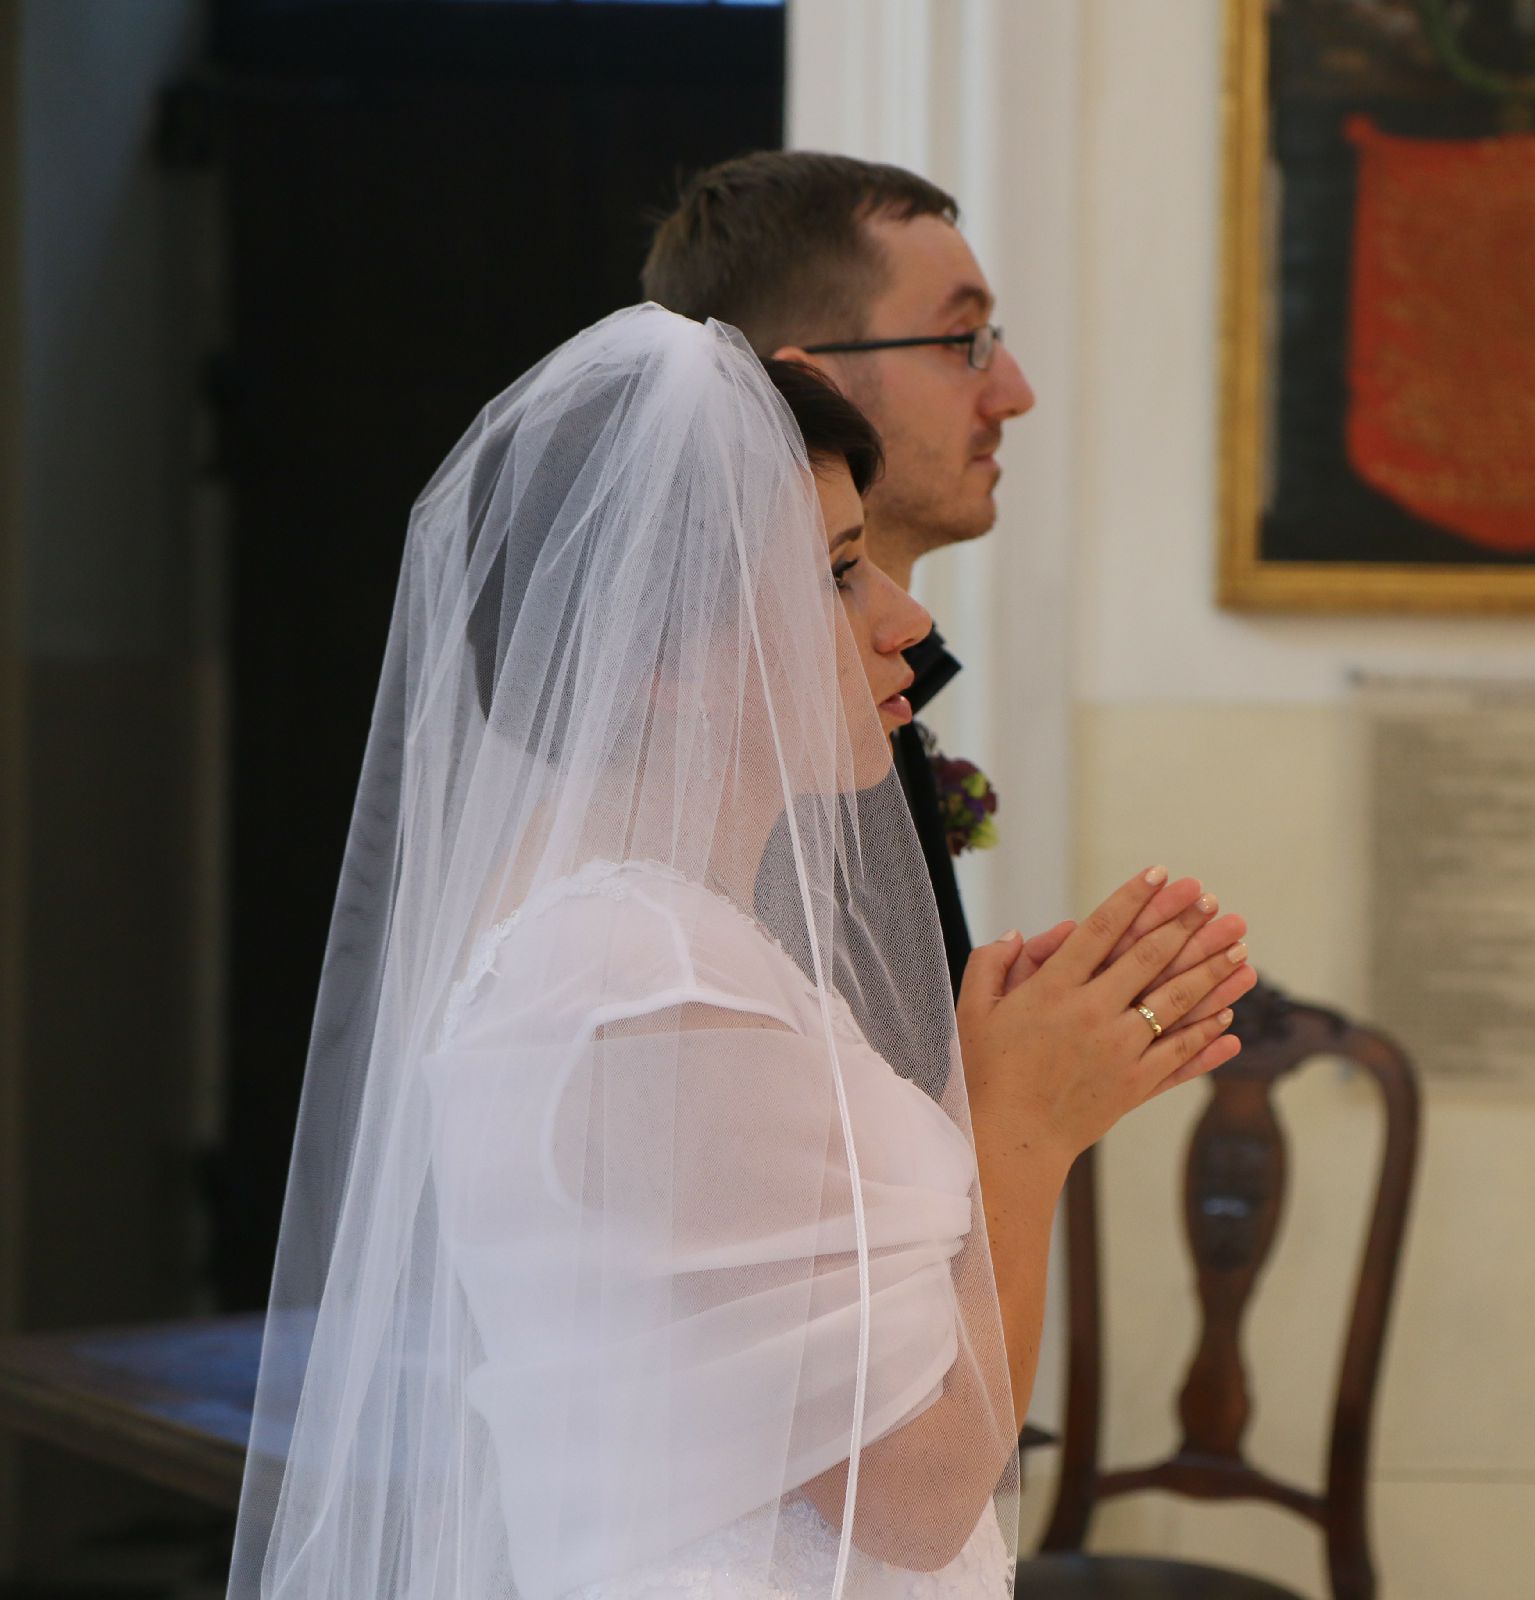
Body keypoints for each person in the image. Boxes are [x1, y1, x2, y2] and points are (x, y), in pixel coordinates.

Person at [227, 307, 1256, 1598]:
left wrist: (993, 1072)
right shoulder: (643, 983)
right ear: (660, 650)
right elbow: (919, 1494)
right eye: (839, 573)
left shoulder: (660, 943)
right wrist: (1027, 1128)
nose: (903, 621)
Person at [640, 151, 1046, 996]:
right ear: (812, 382)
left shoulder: (862, 703)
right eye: (962, 341)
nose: (1014, 392)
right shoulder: (745, 759)